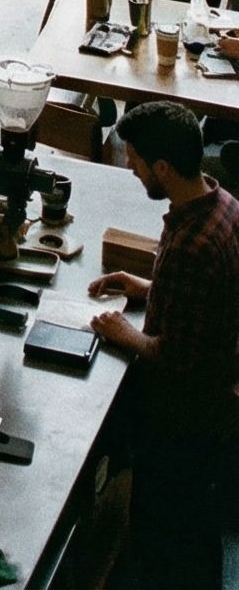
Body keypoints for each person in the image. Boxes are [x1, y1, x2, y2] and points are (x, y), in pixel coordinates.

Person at [89, 99, 239, 590]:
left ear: (162, 167)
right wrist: (146, 285)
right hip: (219, 413)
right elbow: (207, 303)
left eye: (133, 160)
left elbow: (175, 357)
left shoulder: (190, 248)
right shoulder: (222, 205)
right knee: (197, 531)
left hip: (182, 424)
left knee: (167, 539)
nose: (129, 168)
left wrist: (124, 332)